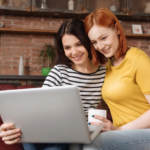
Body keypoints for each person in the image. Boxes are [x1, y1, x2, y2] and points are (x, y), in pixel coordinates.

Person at [0, 19, 106, 150]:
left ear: (89, 43)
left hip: (76, 134)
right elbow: (39, 107)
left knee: (58, 146)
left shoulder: (103, 74)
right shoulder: (59, 71)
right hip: (47, 129)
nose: (74, 52)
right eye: (67, 47)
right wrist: (10, 128)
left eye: (79, 44)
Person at [82, 8, 150, 150]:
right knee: (82, 142)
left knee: (93, 144)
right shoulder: (108, 66)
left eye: (103, 38)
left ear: (116, 29)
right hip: (124, 134)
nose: (100, 46)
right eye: (94, 42)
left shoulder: (138, 59)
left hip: (144, 133)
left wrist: (119, 130)